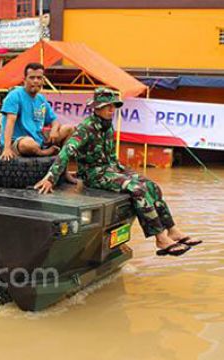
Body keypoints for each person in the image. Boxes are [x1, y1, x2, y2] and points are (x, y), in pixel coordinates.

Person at [34, 87, 202, 256]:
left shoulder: (107, 126)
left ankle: (172, 229)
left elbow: (110, 156)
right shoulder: (86, 128)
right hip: (95, 175)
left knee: (152, 186)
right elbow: (66, 151)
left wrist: (121, 171)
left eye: (113, 106)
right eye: (108, 106)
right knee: (137, 190)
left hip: (112, 169)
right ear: (97, 107)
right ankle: (160, 238)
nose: (112, 110)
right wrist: (51, 177)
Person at [0, 63, 74, 160]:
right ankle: (44, 153)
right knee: (28, 144)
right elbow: (10, 122)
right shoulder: (14, 96)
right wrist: (6, 148)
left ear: (43, 80)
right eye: (32, 78)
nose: (35, 81)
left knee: (69, 129)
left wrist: (54, 130)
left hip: (39, 139)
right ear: (24, 80)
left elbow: (54, 120)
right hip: (19, 142)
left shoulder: (41, 99)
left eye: (39, 78)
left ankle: (62, 161)